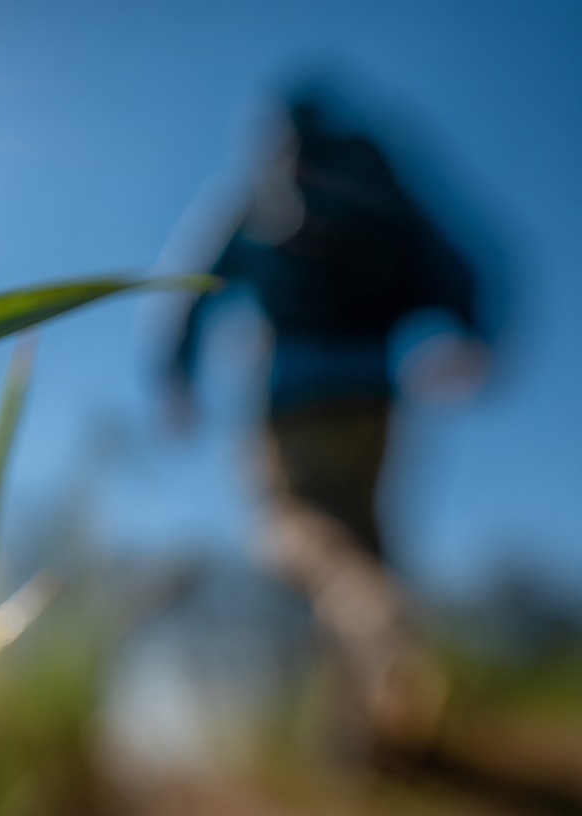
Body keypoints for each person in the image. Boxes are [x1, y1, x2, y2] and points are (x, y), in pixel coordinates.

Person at [166, 82, 495, 761]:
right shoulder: (378, 186)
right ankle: (381, 731)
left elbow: (192, 286)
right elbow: (460, 260)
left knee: (300, 539)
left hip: (292, 403)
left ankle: (379, 631)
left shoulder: (262, 190)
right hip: (377, 396)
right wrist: (475, 334)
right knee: (364, 544)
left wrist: (177, 374)